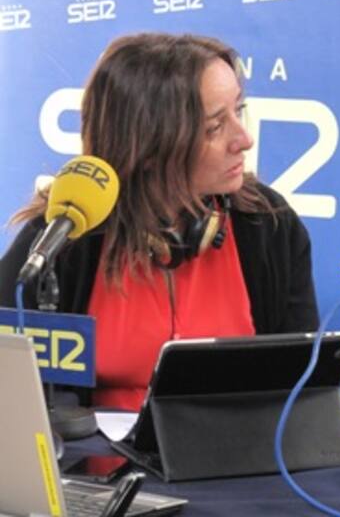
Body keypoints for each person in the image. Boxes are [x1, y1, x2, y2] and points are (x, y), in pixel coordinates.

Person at [0, 33, 319, 411]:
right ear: (148, 146)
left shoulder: (268, 226)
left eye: (239, 110)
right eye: (215, 127)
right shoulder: (67, 234)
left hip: (238, 448)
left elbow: (304, 392)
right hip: (95, 451)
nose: (244, 139)